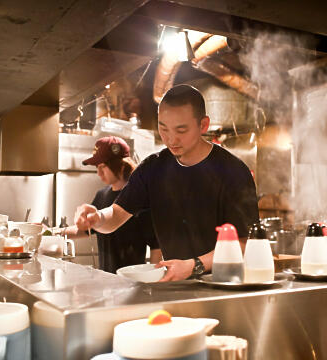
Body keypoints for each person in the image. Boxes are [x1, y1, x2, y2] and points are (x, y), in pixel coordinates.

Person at [75, 84, 259, 281]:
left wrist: (193, 266)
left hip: (223, 286)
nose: (171, 139)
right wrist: (98, 217)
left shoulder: (232, 171)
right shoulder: (153, 168)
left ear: (203, 125)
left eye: (181, 130)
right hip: (175, 285)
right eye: (163, 128)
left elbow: (244, 244)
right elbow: (117, 214)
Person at [63, 136, 162, 273]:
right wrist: (54, 232)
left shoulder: (137, 199)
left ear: (121, 166)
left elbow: (156, 247)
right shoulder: (101, 194)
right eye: (97, 167)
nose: (99, 173)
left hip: (131, 280)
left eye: (103, 167)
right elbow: (87, 230)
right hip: (106, 277)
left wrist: (153, 281)